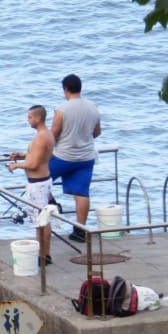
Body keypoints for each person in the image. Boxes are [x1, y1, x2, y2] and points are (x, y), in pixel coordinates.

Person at [50, 74, 101, 242]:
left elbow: (54, 135)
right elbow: (97, 132)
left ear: (65, 89)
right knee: (82, 193)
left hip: (63, 156)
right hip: (86, 158)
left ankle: (51, 204)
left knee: (37, 176)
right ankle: (80, 230)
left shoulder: (62, 109)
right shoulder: (92, 107)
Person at [8, 104, 56, 264]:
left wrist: (16, 165)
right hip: (43, 181)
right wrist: (22, 155)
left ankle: (44, 256)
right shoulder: (47, 135)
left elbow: (34, 164)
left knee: (41, 221)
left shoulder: (41, 137)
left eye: (30, 117)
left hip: (38, 184)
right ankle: (44, 254)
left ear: (38, 118)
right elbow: (38, 157)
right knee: (43, 219)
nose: (28, 120)